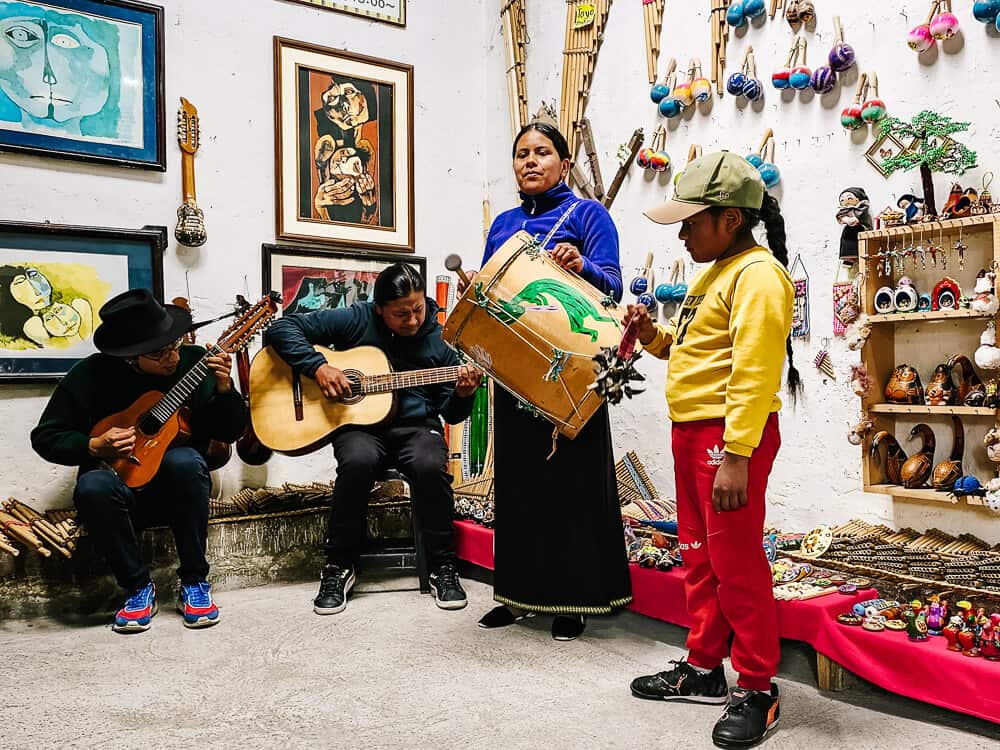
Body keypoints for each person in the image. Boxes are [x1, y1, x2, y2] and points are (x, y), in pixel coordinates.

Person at [625, 152, 799, 748]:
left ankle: (757, 685)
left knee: (737, 563)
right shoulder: (713, 275)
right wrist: (653, 336)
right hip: (692, 434)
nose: (681, 232)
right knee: (698, 556)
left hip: (727, 439)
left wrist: (738, 453)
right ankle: (703, 666)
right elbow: (692, 350)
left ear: (729, 219)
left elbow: (754, 369)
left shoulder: (759, 276)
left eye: (690, 220)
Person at [465, 121, 631, 641]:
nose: (529, 162)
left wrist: (581, 265)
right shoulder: (505, 224)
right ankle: (516, 595)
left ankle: (574, 600)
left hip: (574, 369)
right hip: (514, 369)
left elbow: (612, 285)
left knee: (572, 484)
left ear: (563, 162)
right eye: (521, 154)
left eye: (541, 152)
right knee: (517, 484)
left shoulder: (589, 215)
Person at [263, 263, 481, 614]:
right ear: (379, 309)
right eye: (400, 314)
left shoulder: (440, 341)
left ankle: (443, 566)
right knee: (357, 463)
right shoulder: (356, 319)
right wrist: (318, 366)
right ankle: (338, 565)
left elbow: (451, 414)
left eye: (417, 310)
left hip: (416, 428)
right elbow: (281, 328)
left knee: (430, 465)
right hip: (361, 427)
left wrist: (463, 393)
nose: (412, 320)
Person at [30, 289, 247, 633]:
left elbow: (231, 429)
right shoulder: (90, 376)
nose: (172, 358)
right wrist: (93, 445)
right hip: (121, 496)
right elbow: (45, 436)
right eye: (159, 354)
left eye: (173, 345)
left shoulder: (193, 362)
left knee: (186, 461)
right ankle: (137, 587)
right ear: (130, 358)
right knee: (91, 485)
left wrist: (224, 390)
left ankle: (194, 581)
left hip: (178, 494)